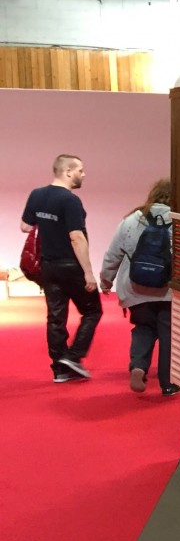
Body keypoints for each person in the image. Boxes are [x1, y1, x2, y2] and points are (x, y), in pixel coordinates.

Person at [20, 154, 103, 383]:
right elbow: (76, 237)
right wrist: (88, 272)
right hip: (70, 266)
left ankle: (59, 370)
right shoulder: (70, 200)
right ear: (68, 172)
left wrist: (47, 224)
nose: (83, 174)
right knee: (92, 310)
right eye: (80, 170)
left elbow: (25, 226)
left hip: (48, 265)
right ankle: (74, 356)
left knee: (56, 317)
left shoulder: (37, 194)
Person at [99, 178, 180, 396]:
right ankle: (168, 383)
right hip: (168, 291)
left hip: (136, 288)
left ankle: (138, 366)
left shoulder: (132, 220)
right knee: (168, 335)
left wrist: (105, 281)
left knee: (143, 328)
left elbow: (113, 255)